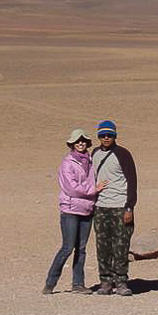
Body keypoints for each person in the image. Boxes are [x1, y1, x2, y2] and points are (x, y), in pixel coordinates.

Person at [43, 128, 108, 295]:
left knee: (82, 248)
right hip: (71, 209)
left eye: (83, 141)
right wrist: (94, 189)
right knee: (68, 247)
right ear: (72, 144)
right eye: (77, 141)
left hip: (87, 209)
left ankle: (78, 284)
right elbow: (71, 188)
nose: (80, 143)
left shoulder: (90, 161)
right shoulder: (68, 163)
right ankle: (50, 283)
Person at [91, 119, 137, 296]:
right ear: (98, 136)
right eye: (103, 135)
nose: (106, 138)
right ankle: (105, 281)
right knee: (103, 246)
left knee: (121, 246)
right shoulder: (94, 153)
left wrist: (129, 207)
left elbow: (132, 182)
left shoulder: (123, 154)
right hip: (101, 207)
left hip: (119, 206)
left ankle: (121, 281)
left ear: (115, 136)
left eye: (109, 135)